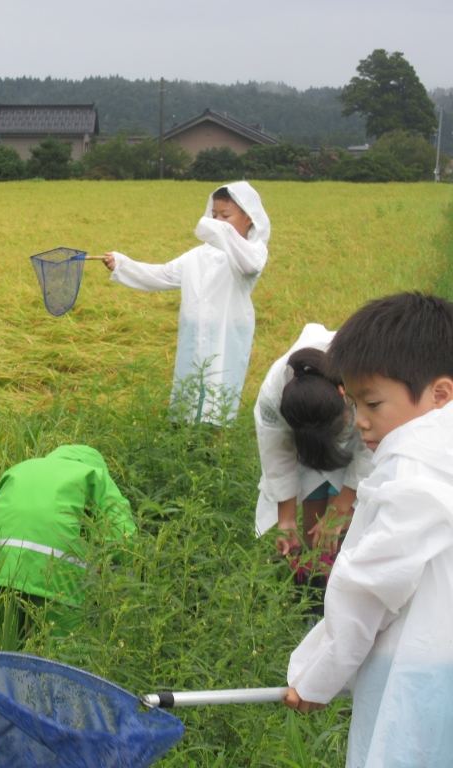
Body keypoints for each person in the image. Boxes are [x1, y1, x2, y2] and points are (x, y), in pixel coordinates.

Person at [285, 293, 453, 767]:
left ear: (439, 394)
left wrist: (318, 676)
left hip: (420, 670)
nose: (360, 421)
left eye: (373, 403)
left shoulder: (413, 471)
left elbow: (369, 586)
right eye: (354, 402)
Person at [102, 182, 270, 425]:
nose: (218, 222)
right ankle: (186, 439)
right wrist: (123, 264)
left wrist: (220, 230)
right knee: (189, 393)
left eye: (225, 216)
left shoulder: (254, 252)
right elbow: (163, 274)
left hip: (227, 335)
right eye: (214, 215)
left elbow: (249, 266)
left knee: (219, 397)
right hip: (195, 332)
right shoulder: (198, 255)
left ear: (249, 219)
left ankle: (214, 444)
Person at [0, 445, 136, 636]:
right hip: (53, 569)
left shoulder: (20, 468)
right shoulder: (96, 475)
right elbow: (123, 539)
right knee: (62, 646)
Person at [254, 323, 374, 556]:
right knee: (314, 531)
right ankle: (313, 570)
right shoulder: (273, 395)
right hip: (312, 442)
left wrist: (340, 509)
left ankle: (342, 567)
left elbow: (370, 453)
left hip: (363, 441)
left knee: (344, 528)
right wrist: (286, 520)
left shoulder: (363, 375)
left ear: (343, 393)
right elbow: (276, 455)